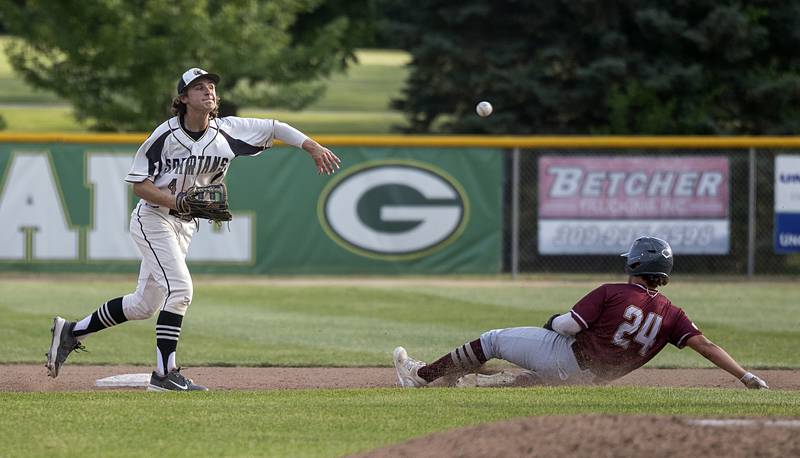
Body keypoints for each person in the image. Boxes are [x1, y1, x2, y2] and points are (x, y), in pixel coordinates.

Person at [46, 67, 341, 391]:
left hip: (184, 226)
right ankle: (164, 374)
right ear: (183, 98)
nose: (209, 92)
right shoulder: (164, 136)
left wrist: (311, 146)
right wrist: (178, 200)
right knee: (181, 290)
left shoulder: (228, 131)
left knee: (143, 305)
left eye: (211, 87)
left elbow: (276, 127)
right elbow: (139, 186)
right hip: (153, 219)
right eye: (199, 87)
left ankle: (72, 332)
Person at [393, 236, 769, 390]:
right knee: (520, 382)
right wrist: (746, 375)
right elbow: (706, 345)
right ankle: (459, 381)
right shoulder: (672, 313)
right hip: (592, 380)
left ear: (635, 263)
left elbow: (569, 325)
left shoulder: (613, 291)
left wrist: (553, 321)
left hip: (569, 357)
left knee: (493, 340)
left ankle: (421, 377)